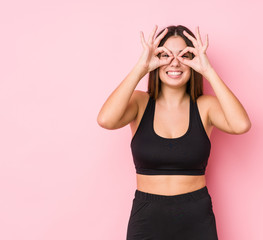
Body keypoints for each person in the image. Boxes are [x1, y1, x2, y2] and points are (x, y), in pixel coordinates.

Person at [97, 24, 251, 240]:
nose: (175, 62)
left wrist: (208, 70)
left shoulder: (205, 107)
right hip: (147, 217)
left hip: (196, 217)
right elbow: (106, 120)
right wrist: (141, 67)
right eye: (165, 55)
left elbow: (241, 125)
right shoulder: (140, 103)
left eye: (184, 56)